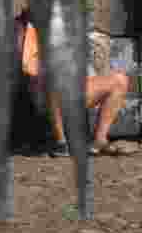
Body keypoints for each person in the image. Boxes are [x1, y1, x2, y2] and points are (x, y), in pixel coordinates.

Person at [18, 12, 130, 156]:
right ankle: (60, 143)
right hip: (45, 95)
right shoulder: (25, 28)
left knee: (120, 80)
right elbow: (31, 70)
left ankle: (99, 142)